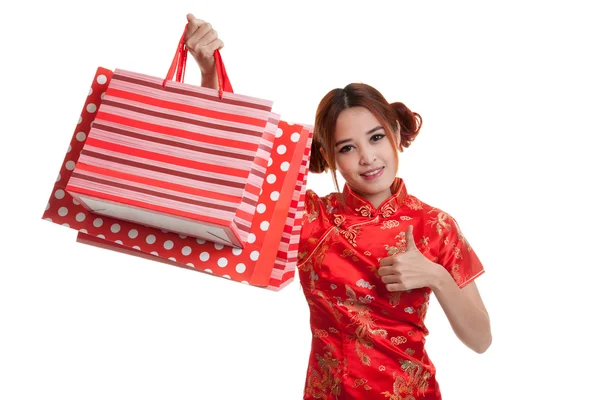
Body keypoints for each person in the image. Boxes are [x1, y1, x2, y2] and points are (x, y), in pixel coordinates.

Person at [184, 13, 492, 400]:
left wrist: (435, 276)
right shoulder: (312, 216)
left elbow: (481, 339)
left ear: (395, 132)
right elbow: (232, 175)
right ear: (329, 157)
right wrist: (210, 73)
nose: (367, 158)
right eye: (348, 147)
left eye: (376, 137)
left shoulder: (435, 225)